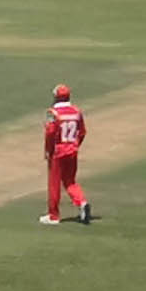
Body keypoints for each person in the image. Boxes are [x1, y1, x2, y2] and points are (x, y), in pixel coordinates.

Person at [42, 84, 92, 225]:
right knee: (70, 181)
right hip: (72, 150)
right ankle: (82, 203)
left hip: (58, 152)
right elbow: (82, 132)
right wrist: (75, 145)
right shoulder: (76, 111)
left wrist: (48, 150)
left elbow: (50, 133)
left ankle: (53, 216)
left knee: (54, 184)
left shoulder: (53, 113)